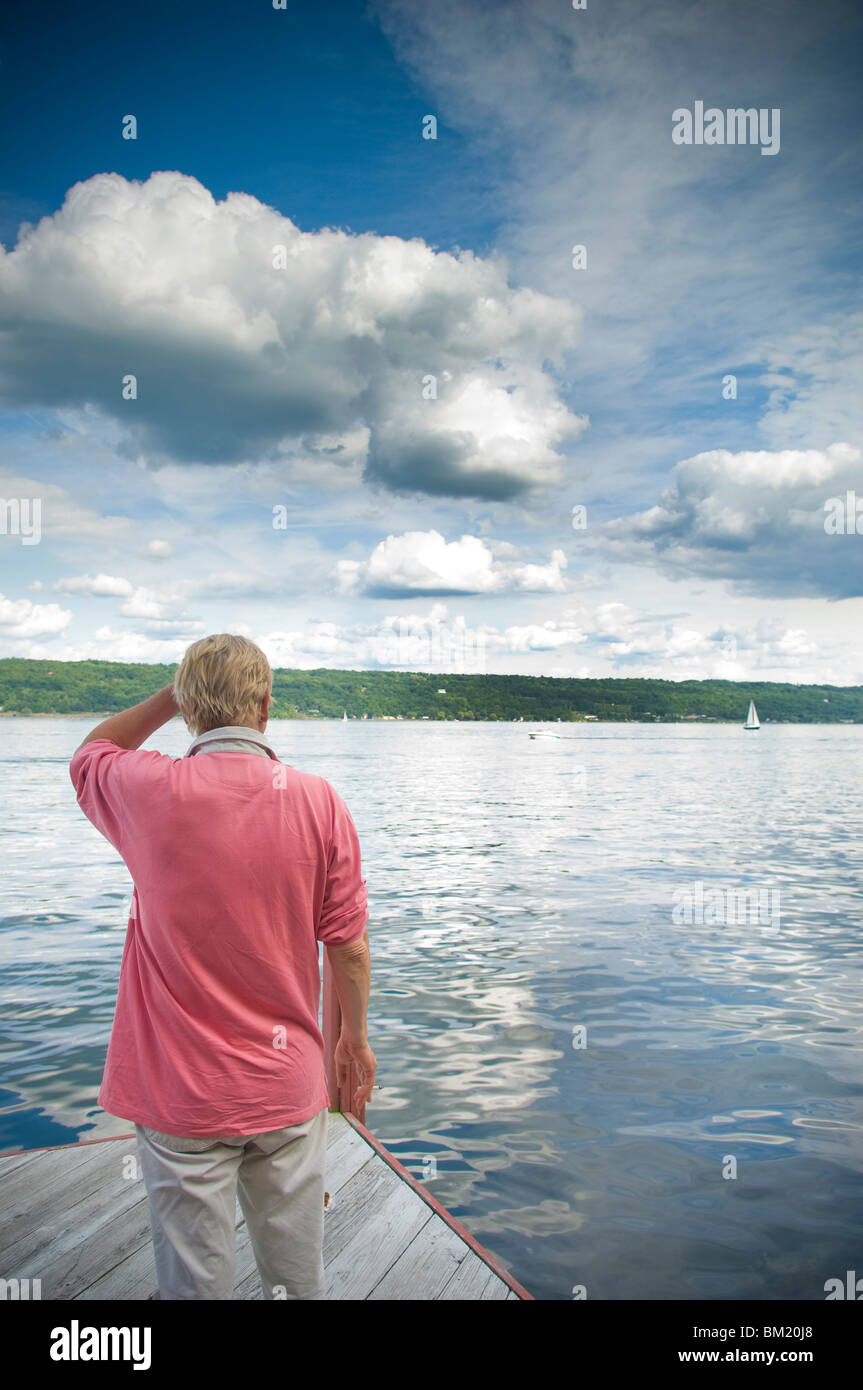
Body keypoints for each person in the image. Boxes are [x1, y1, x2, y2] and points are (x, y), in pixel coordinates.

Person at [68, 633, 376, 1300]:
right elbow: (346, 945)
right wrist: (352, 1040)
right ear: (265, 707)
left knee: (194, 1282)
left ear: (187, 710)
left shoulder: (146, 788)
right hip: (285, 1086)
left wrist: (168, 696)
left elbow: (92, 751)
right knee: (296, 1277)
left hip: (181, 1092)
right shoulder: (318, 800)